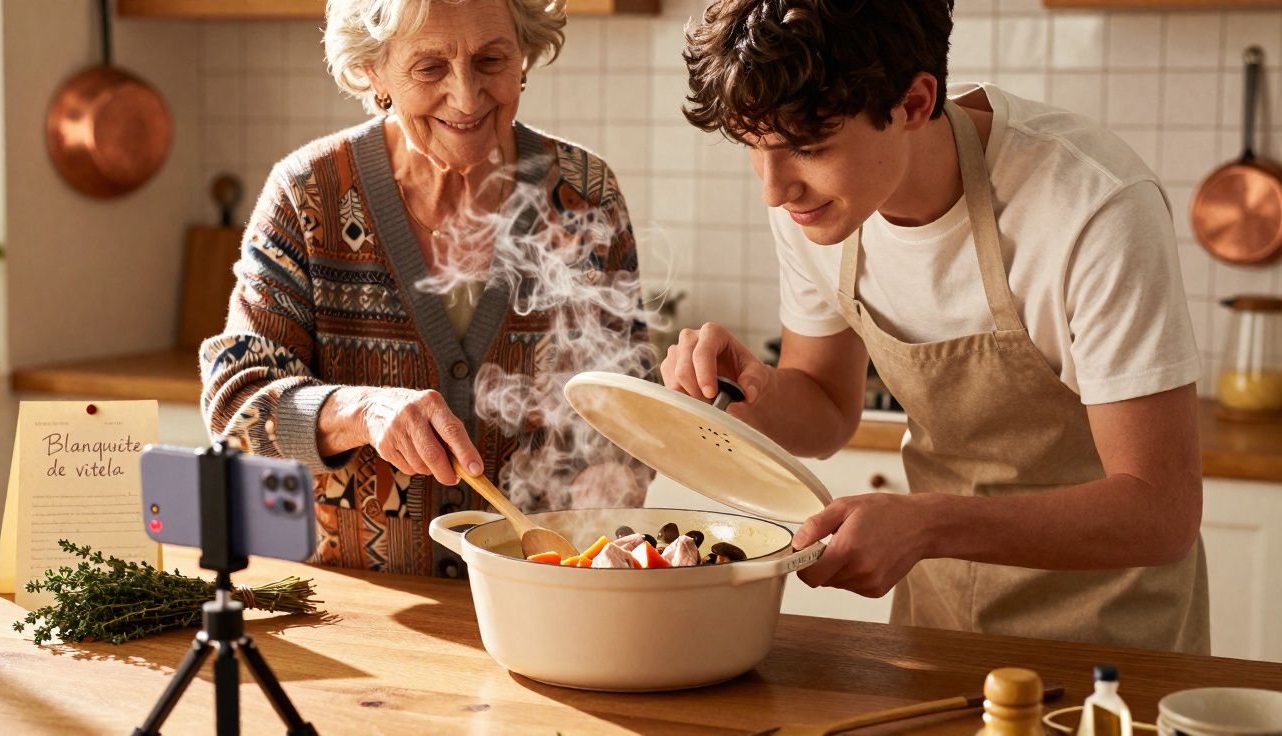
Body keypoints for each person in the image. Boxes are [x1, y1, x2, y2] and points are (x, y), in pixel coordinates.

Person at [663, 0, 1208, 652]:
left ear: (916, 103)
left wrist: (928, 525)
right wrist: (753, 392)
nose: (775, 191)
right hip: (937, 623)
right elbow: (828, 409)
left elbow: (1160, 511)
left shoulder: (1090, 208)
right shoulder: (816, 207)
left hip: (1112, 636)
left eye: (808, 148)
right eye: (755, 148)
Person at [200, 0, 650, 577]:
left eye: (491, 61)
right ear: (374, 71)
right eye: (430, 68)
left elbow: (628, 404)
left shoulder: (585, 195)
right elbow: (236, 404)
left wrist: (618, 473)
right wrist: (362, 411)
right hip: (359, 604)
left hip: (540, 592)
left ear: (523, 56)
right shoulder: (310, 194)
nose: (466, 97)